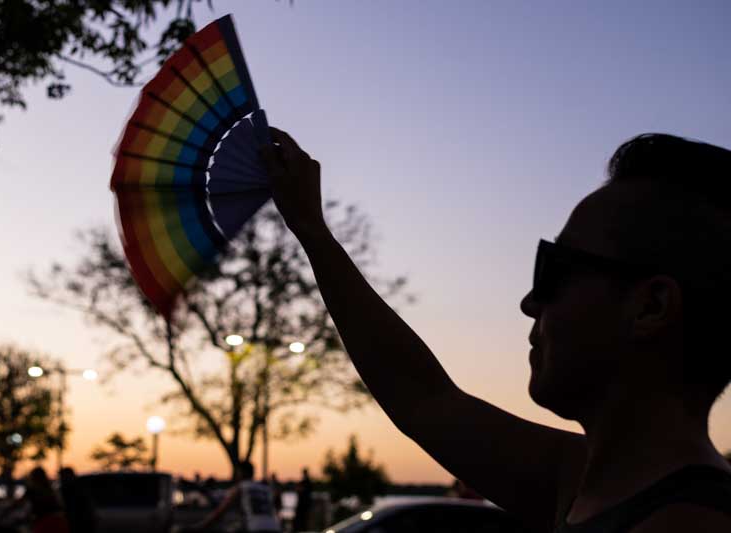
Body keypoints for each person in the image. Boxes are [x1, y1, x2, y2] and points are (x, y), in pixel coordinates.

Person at [259, 131, 731, 533]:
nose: (530, 303)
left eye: (554, 271)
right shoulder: (590, 480)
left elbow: (425, 402)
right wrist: (312, 231)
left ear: (651, 306)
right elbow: (424, 399)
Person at [196, 461, 280, 532]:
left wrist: (200, 527)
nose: (236, 475)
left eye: (237, 472)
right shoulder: (265, 488)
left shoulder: (241, 487)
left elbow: (220, 511)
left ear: (242, 473)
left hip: (255, 528)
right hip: (275, 528)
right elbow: (276, 506)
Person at [1, 467, 69, 533]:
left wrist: (4, 512)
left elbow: (17, 504)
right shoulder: (50, 489)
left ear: (33, 478)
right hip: (59, 521)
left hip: (44, 523)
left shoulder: (32, 490)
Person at [59, 467, 97, 533]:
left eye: (62, 476)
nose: (61, 479)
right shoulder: (79, 487)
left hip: (79, 522)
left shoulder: (72, 489)